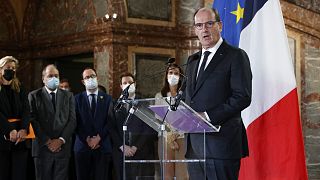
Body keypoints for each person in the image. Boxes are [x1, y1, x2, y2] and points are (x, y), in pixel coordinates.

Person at [183, 8, 252, 180]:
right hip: (195, 147)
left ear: (220, 25)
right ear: (195, 30)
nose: (204, 29)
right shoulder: (193, 61)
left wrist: (207, 116)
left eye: (209, 24)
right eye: (199, 25)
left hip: (222, 145)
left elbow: (242, 96)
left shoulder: (236, 56)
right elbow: (188, 97)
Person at [28, 64, 76, 180]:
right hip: (42, 148)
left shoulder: (68, 95)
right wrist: (48, 141)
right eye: (50, 76)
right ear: (43, 78)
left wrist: (60, 140)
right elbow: (33, 120)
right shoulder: (34, 95)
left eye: (56, 76)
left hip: (63, 148)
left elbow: (72, 120)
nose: (54, 78)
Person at [110, 72, 157, 180]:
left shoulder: (145, 102)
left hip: (142, 152)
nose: (128, 85)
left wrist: (136, 147)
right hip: (121, 152)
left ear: (135, 84)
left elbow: (149, 127)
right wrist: (122, 146)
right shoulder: (115, 104)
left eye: (130, 82)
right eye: (124, 83)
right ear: (121, 86)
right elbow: (111, 127)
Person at [73, 68, 114, 180]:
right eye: (87, 77)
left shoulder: (108, 99)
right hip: (82, 147)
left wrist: (99, 138)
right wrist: (87, 139)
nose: (90, 79)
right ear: (83, 81)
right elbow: (75, 122)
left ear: (97, 77)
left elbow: (110, 121)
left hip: (102, 147)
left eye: (92, 76)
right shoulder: (76, 99)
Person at [154, 63, 188, 180]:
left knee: (182, 174)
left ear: (181, 76)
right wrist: (169, 133)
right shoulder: (160, 96)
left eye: (176, 73)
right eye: (170, 73)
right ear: (166, 75)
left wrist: (176, 133)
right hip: (165, 137)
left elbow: (188, 116)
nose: (173, 75)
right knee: (166, 174)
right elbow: (158, 119)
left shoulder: (185, 95)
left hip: (182, 136)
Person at [0, 56, 31, 180]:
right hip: (2, 137)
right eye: (8, 68)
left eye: (13, 68)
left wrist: (24, 129)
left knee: (19, 174)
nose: (11, 70)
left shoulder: (20, 87)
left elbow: (26, 110)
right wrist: (9, 129)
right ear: (0, 69)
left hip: (20, 138)